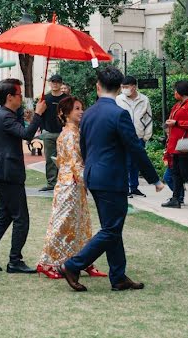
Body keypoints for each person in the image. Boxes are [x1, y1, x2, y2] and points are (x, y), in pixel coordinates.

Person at [58, 67, 164, 292]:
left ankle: (118, 276)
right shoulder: (119, 114)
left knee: (111, 227)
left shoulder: (89, 114)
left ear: (98, 86)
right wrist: (155, 179)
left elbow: (84, 147)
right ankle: (73, 265)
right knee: (112, 229)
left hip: (94, 175)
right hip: (110, 177)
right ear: (119, 89)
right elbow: (135, 148)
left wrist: (90, 171)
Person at [0, 78, 46, 275]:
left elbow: (22, 130)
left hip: (4, 172)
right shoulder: (4, 116)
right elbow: (27, 134)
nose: (21, 98)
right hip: (8, 173)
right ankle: (15, 261)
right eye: (19, 94)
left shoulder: (6, 114)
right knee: (21, 218)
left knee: (5, 215)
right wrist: (38, 114)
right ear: (10, 97)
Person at [36, 97, 107, 279]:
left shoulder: (72, 132)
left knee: (81, 224)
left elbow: (62, 160)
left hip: (71, 182)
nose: (81, 111)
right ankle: (45, 262)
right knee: (62, 224)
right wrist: (89, 180)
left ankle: (84, 261)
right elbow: (75, 162)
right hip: (71, 184)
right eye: (76, 109)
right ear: (66, 113)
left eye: (81, 108)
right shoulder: (70, 134)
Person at [116, 75, 154, 197]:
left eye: (126, 87)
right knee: (124, 163)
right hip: (123, 137)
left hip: (139, 136)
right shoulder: (119, 99)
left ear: (134, 87)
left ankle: (134, 187)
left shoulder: (144, 100)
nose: (124, 89)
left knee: (136, 163)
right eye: (122, 87)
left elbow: (148, 119)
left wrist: (146, 136)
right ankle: (125, 188)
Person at [162, 80, 188, 209]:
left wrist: (177, 123)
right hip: (176, 145)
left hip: (185, 144)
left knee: (186, 173)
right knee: (176, 173)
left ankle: (177, 198)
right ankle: (176, 199)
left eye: (176, 90)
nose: (174, 93)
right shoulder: (178, 105)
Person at [38, 74, 67, 192]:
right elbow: (40, 114)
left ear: (61, 84)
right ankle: (51, 183)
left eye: (57, 82)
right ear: (50, 83)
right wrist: (42, 129)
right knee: (50, 160)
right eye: (53, 82)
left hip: (63, 133)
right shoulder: (45, 98)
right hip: (48, 133)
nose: (55, 84)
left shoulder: (66, 99)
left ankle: (62, 182)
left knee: (63, 159)